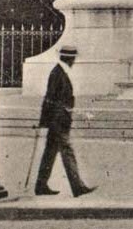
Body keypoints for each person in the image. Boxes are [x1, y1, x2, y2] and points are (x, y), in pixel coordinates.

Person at [35, 45, 95, 198]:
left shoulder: (60, 72)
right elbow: (50, 98)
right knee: (68, 152)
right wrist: (48, 121)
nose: (74, 61)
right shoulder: (58, 73)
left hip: (57, 119)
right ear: (68, 58)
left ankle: (41, 185)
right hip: (59, 121)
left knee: (50, 153)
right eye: (73, 58)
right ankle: (77, 186)